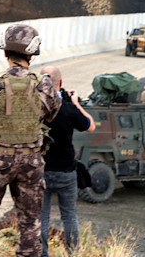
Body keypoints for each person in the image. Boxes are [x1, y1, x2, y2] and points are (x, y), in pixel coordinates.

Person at [0, 23, 61, 257]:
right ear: (32, 54)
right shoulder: (44, 85)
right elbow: (51, 115)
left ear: (5, 53)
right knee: (30, 223)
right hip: (31, 162)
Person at [39, 66, 95, 255]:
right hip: (66, 172)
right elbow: (90, 126)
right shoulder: (69, 109)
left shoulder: (33, 107)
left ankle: (42, 253)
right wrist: (76, 103)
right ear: (60, 83)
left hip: (41, 171)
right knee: (69, 216)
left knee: (42, 217)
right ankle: (73, 253)